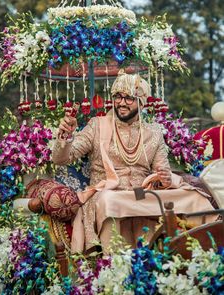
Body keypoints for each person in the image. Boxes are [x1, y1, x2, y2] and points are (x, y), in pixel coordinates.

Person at [52, 71, 215, 253]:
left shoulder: (153, 132)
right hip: (107, 194)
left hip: (141, 195)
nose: (121, 103)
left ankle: (202, 255)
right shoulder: (97, 125)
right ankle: (112, 264)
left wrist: (165, 179)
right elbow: (61, 159)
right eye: (118, 97)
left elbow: (163, 172)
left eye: (129, 98)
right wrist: (65, 137)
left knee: (195, 196)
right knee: (110, 200)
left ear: (141, 102)